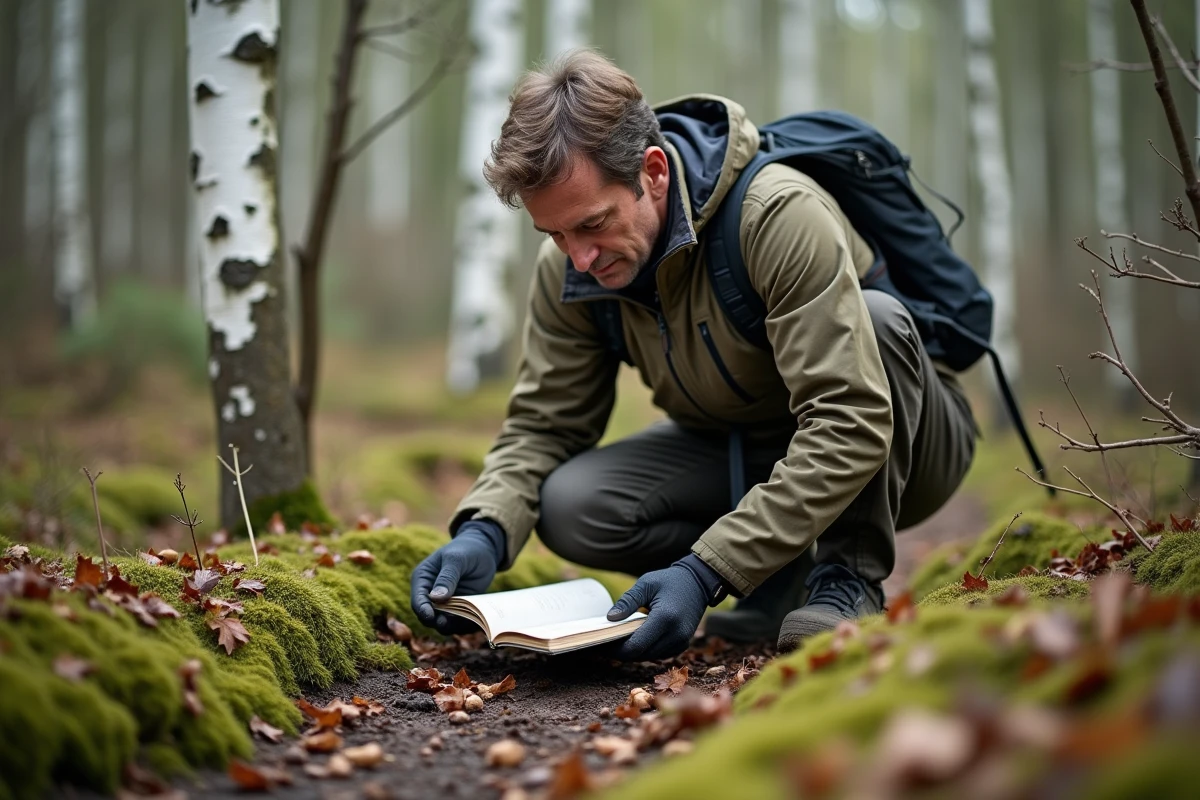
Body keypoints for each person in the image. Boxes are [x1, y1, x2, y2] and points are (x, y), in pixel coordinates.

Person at [411, 50, 978, 660]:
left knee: (878, 318)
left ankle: (846, 579)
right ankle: (776, 579)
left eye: (593, 223)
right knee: (574, 505)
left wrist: (705, 571)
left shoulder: (776, 216)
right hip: (746, 449)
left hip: (906, 440)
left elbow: (850, 420)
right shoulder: (570, 273)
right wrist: (485, 530)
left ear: (652, 172)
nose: (579, 257)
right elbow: (545, 423)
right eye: (554, 234)